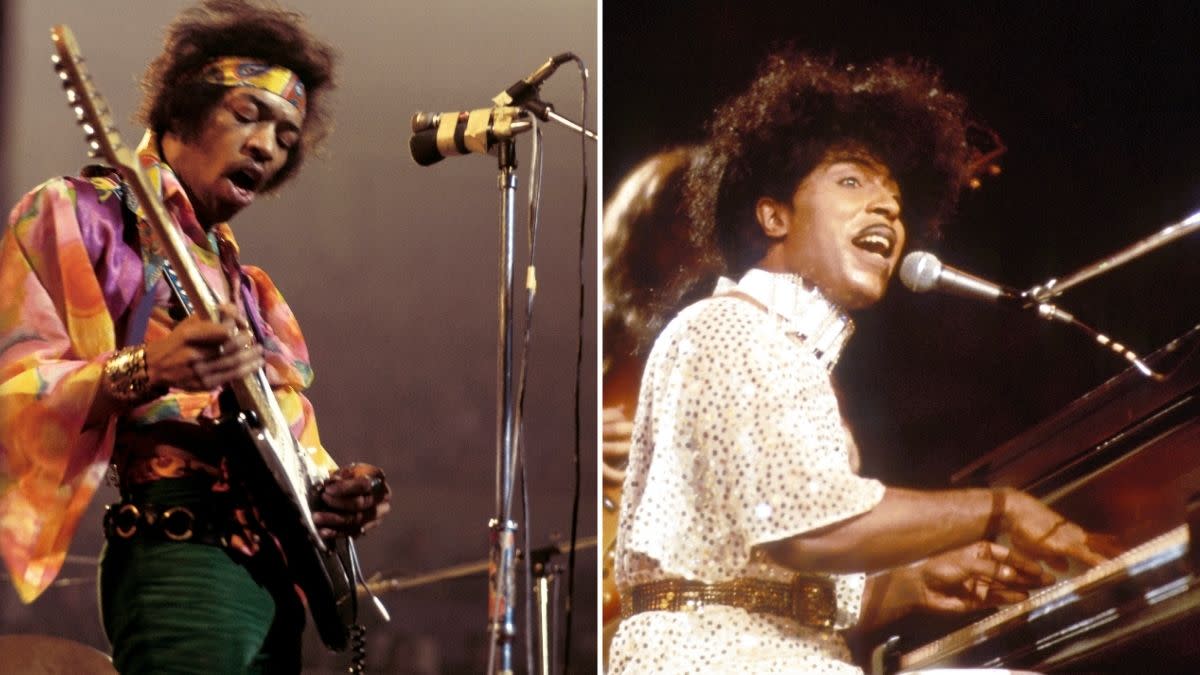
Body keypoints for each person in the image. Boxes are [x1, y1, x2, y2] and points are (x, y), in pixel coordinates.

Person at [608, 49, 1115, 673]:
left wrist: (902, 586)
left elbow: (748, 574)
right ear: (773, 215)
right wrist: (998, 508)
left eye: (895, 198)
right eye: (852, 181)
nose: (887, 209)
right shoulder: (729, 328)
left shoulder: (780, 348)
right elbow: (810, 531)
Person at [0, 2, 390, 672]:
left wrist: (336, 487)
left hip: (276, 582)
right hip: (181, 556)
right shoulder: (84, 218)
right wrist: (145, 368)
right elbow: (14, 392)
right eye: (249, 114)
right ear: (183, 107)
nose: (268, 146)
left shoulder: (254, 293)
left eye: (287, 137)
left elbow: (297, 448)